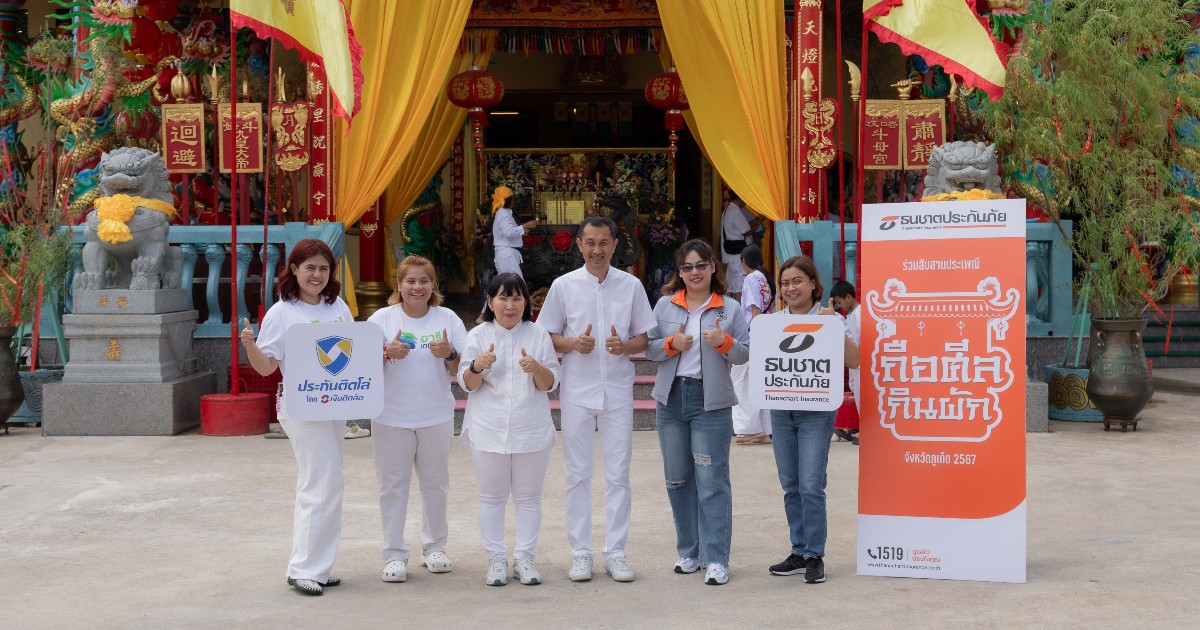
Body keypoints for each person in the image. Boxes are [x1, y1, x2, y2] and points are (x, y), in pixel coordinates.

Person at [537, 216, 657, 583]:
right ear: (578, 245)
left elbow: (644, 338)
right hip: (577, 392)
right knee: (577, 475)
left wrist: (625, 346)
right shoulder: (564, 286)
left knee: (619, 475)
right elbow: (546, 335)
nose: (597, 249)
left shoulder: (631, 285)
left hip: (618, 392)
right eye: (590, 242)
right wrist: (573, 344)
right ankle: (580, 553)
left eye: (604, 242)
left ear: (615, 245)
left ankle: (616, 553)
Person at [240, 238, 354, 597]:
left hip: (334, 404)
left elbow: (353, 354)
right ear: (293, 269)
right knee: (318, 481)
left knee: (331, 482)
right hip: (302, 407)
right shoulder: (282, 312)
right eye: (310, 268)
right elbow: (268, 365)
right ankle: (302, 568)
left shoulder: (338, 307)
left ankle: (318, 568)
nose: (317, 275)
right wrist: (250, 345)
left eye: (323, 268)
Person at [645, 239, 750, 586]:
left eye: (701, 265)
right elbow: (649, 348)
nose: (694, 272)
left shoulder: (730, 308)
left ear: (713, 268)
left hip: (710, 403)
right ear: (679, 272)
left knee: (711, 481)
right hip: (671, 401)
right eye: (687, 267)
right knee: (677, 479)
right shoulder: (664, 305)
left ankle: (716, 557)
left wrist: (724, 342)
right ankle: (689, 551)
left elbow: (744, 354)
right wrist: (670, 345)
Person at [366, 255, 467, 584]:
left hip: (435, 415)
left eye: (424, 281)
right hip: (390, 417)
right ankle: (394, 553)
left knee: (435, 485)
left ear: (433, 285)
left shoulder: (447, 318)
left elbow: (464, 369)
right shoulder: (381, 319)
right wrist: (384, 354)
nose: (417, 287)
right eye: (410, 281)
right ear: (398, 284)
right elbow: (359, 367)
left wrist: (449, 353)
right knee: (392, 487)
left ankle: (434, 547)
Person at [458, 273, 561, 587]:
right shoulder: (477, 335)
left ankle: (525, 558)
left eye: (517, 298)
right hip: (488, 428)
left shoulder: (539, 335)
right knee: (491, 498)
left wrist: (536, 369)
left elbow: (550, 385)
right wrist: (478, 365)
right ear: (490, 302)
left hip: (531, 428)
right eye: (503, 298)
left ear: (526, 302)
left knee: (529, 499)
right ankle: (496, 560)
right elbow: (468, 385)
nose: (510, 305)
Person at [766, 256, 860, 584]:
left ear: (812, 284)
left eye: (797, 281)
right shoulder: (772, 322)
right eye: (785, 283)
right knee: (790, 485)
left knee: (810, 485)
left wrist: (835, 326)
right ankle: (798, 550)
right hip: (781, 412)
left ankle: (814, 555)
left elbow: (854, 360)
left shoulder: (828, 318)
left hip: (817, 413)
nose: (791, 288)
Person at [732, 245, 774, 445]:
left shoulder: (750, 278)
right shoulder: (765, 278)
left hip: (752, 333)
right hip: (765, 331)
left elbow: (754, 309)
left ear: (743, 262)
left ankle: (749, 429)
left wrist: (752, 335)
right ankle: (764, 429)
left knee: (740, 381)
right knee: (759, 380)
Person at [491, 186, 538, 279]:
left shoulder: (504, 212)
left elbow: (508, 231)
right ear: (509, 200)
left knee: (507, 284)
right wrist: (525, 225)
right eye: (512, 198)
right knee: (514, 283)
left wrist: (521, 232)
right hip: (507, 254)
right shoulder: (503, 213)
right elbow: (508, 232)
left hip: (507, 254)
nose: (514, 200)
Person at [719, 192, 761, 297]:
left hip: (731, 255)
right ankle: (738, 312)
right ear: (739, 199)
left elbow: (744, 225)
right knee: (740, 288)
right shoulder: (735, 212)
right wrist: (760, 221)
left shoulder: (727, 210)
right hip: (738, 256)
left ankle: (725, 311)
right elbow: (747, 231)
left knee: (730, 288)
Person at [830, 280, 861, 412]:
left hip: (860, 363)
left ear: (848, 297)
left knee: (862, 402)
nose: (838, 305)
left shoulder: (860, 314)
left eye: (839, 302)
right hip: (855, 364)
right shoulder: (851, 315)